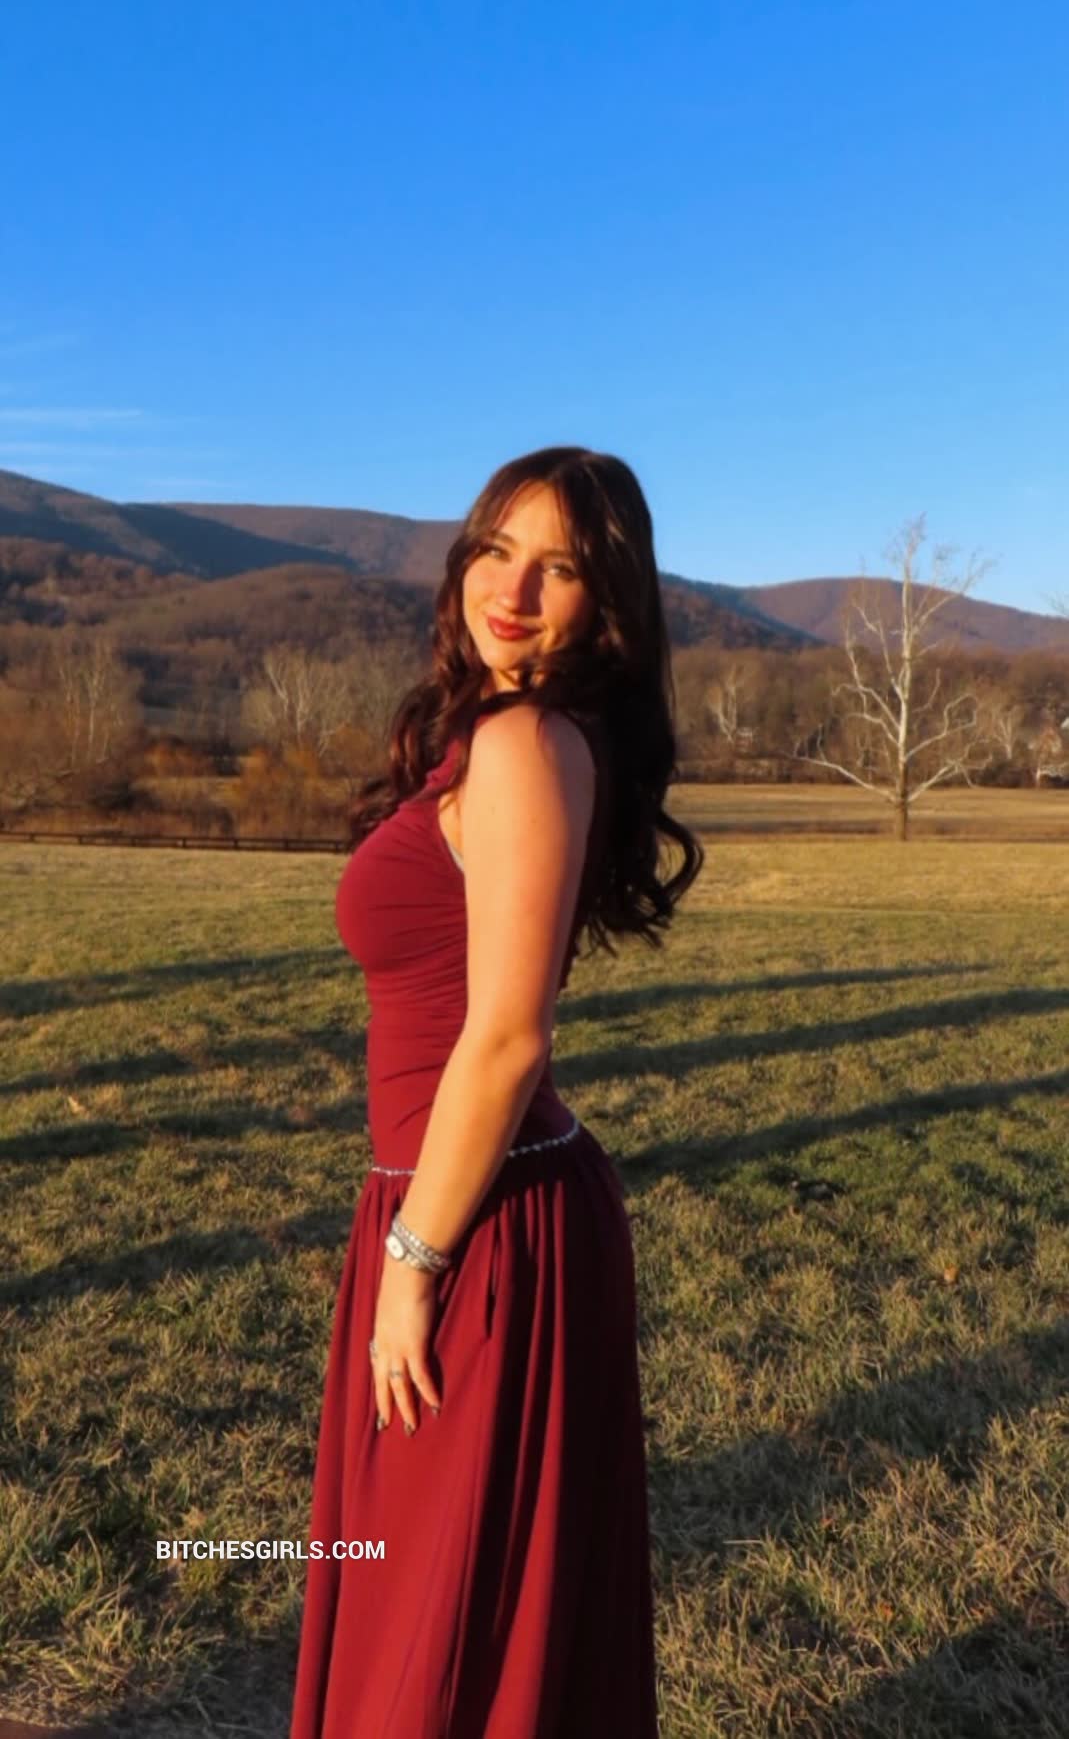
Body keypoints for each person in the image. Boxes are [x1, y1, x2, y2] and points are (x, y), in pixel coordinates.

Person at [288, 446, 704, 1738]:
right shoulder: (491, 735)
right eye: (495, 551)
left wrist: (414, 1263)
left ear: (606, 602)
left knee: (440, 1633)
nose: (511, 591)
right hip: (455, 1200)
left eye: (557, 568)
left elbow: (509, 1038)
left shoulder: (526, 742)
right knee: (437, 1606)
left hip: (476, 1227)